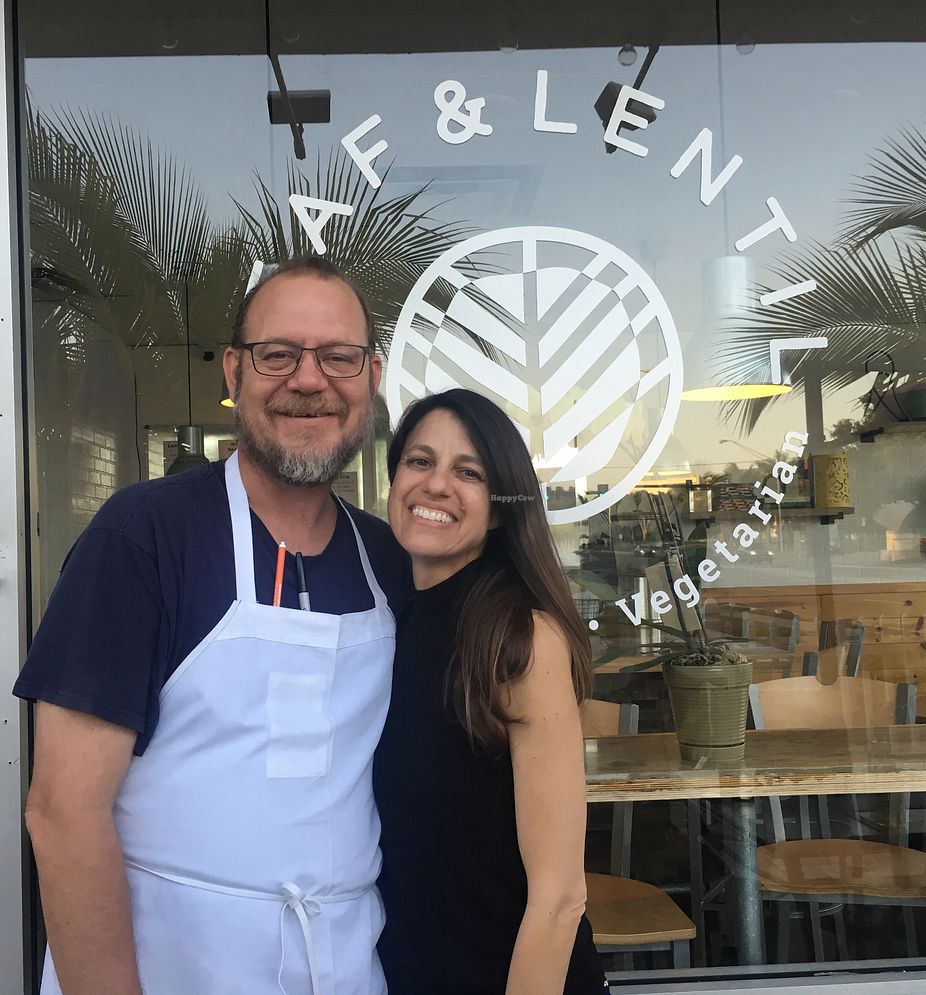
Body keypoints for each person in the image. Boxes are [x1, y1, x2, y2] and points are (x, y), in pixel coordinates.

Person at [15, 256, 409, 995]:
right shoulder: (144, 537)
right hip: (170, 965)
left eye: (338, 356)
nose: (309, 380)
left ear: (372, 377)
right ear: (234, 371)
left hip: (346, 965)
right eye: (277, 354)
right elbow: (63, 811)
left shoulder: (387, 559)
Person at [374, 388, 609, 995]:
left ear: (501, 509)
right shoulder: (383, 618)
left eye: (469, 472)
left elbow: (560, 897)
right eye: (420, 461)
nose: (436, 485)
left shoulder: (521, 638)